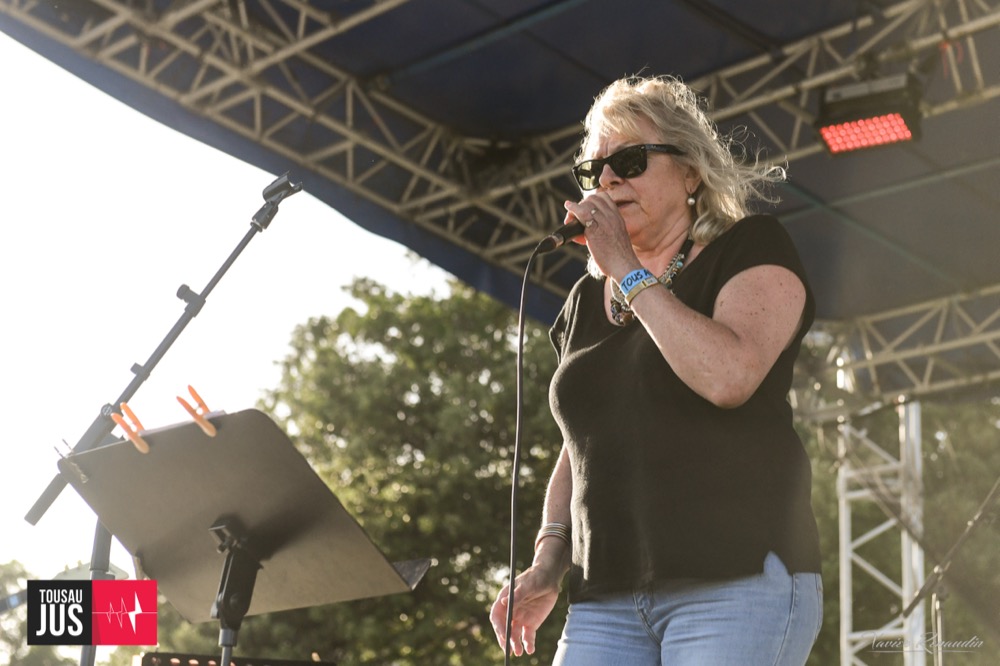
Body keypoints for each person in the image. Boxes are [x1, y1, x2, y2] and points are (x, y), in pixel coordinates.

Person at [489, 74, 823, 665]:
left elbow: (729, 377)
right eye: (594, 170)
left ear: (691, 172)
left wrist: (626, 268)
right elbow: (579, 445)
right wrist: (547, 560)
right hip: (604, 596)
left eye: (631, 161)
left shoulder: (750, 248)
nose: (609, 180)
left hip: (734, 579)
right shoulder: (583, 303)